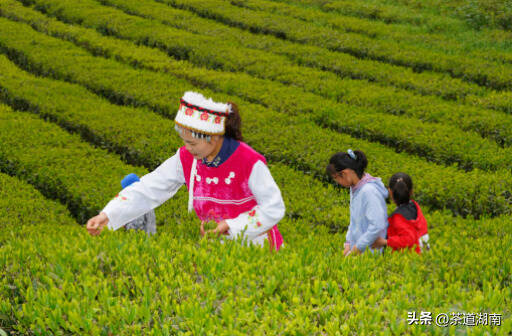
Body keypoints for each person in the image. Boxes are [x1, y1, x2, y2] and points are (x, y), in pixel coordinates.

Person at [86, 91, 285, 251]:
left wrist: (232, 226)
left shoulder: (249, 161)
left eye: (192, 142)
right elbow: (149, 188)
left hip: (257, 247)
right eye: (185, 142)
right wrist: (108, 215)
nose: (188, 148)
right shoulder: (187, 158)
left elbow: (273, 207)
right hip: (213, 247)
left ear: (213, 137)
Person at [326, 149, 388, 256]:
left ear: (344, 173)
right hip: (358, 252)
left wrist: (358, 247)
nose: (337, 182)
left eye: (336, 178)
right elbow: (354, 221)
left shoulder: (369, 191)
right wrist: (348, 244)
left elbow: (377, 225)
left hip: (370, 254)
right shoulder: (354, 188)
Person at [372, 173, 430, 254]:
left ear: (390, 192)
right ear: (412, 191)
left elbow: (408, 239)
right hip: (421, 255)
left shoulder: (399, 217)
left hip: (407, 259)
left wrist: (385, 242)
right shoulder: (415, 206)